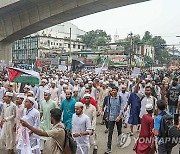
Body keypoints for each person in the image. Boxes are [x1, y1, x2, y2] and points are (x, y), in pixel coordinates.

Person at [105, 86, 123, 154]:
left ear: (117, 91)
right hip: (111, 118)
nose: (113, 91)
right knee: (110, 132)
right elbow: (108, 108)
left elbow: (122, 108)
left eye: (114, 90)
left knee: (119, 130)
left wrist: (119, 116)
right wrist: (107, 116)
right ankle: (109, 147)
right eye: (112, 90)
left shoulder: (120, 98)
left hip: (118, 117)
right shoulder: (109, 98)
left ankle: (119, 141)